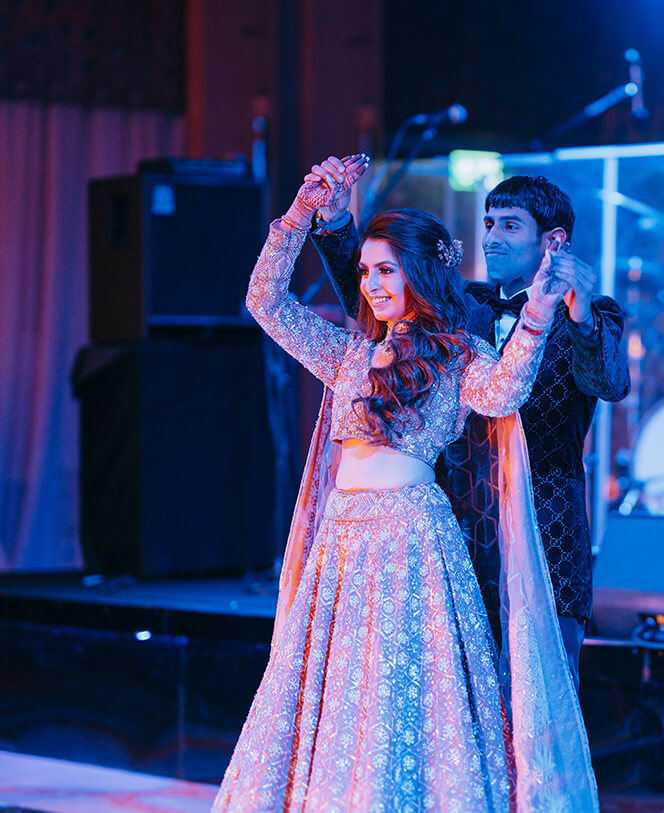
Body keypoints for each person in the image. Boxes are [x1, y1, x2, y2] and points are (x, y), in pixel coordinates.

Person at [213, 155, 598, 811]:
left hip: (413, 540)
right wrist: (300, 215)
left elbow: (503, 394)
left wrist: (535, 317)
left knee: (404, 693)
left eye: (386, 270)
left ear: (420, 271)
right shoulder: (349, 353)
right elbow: (264, 302)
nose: (370, 284)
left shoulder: (459, 354)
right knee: (340, 691)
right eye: (365, 272)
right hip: (340, 544)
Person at [309, 161, 630, 687]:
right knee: (458, 690)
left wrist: (578, 311)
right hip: (460, 526)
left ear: (553, 241)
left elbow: (609, 383)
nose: (492, 238)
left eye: (510, 225)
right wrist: (336, 220)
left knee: (543, 688)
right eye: (488, 223)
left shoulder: (595, 316)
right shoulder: (462, 308)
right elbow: (372, 293)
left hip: (547, 528)